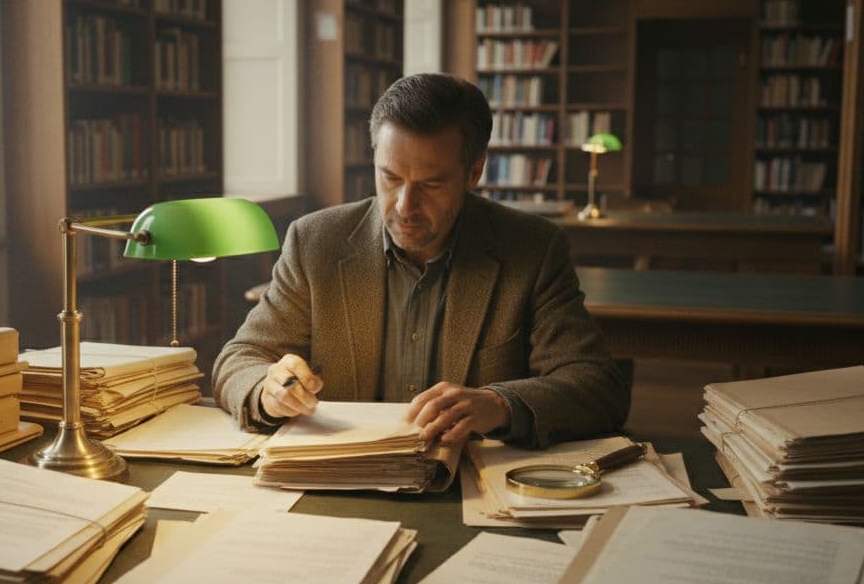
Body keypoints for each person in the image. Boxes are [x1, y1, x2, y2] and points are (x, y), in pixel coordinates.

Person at [212, 73, 629, 448]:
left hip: (469, 490)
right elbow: (239, 360)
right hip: (339, 483)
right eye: (390, 178)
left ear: (474, 172)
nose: (405, 206)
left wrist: (499, 404)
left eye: (431, 184)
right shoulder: (316, 241)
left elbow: (596, 386)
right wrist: (268, 391)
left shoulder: (533, 249)